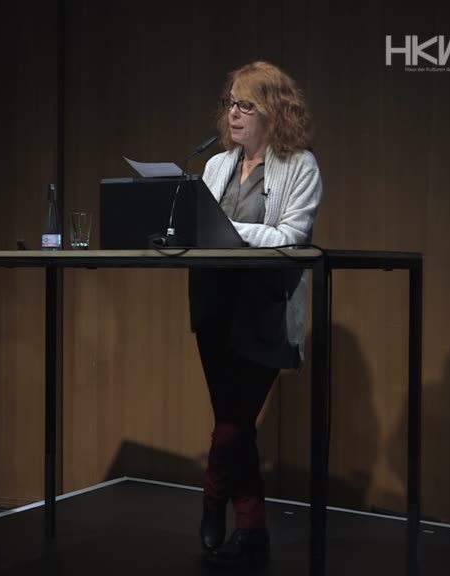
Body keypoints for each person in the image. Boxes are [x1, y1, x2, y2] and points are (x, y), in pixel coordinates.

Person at [190, 61, 322, 569]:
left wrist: (228, 232)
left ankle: (214, 497)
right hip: (214, 305)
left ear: (275, 112)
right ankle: (252, 531)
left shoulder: (300, 166)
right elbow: (201, 231)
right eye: (231, 104)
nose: (234, 114)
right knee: (234, 421)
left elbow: (291, 236)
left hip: (265, 309)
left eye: (247, 105)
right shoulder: (217, 165)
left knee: (232, 423)